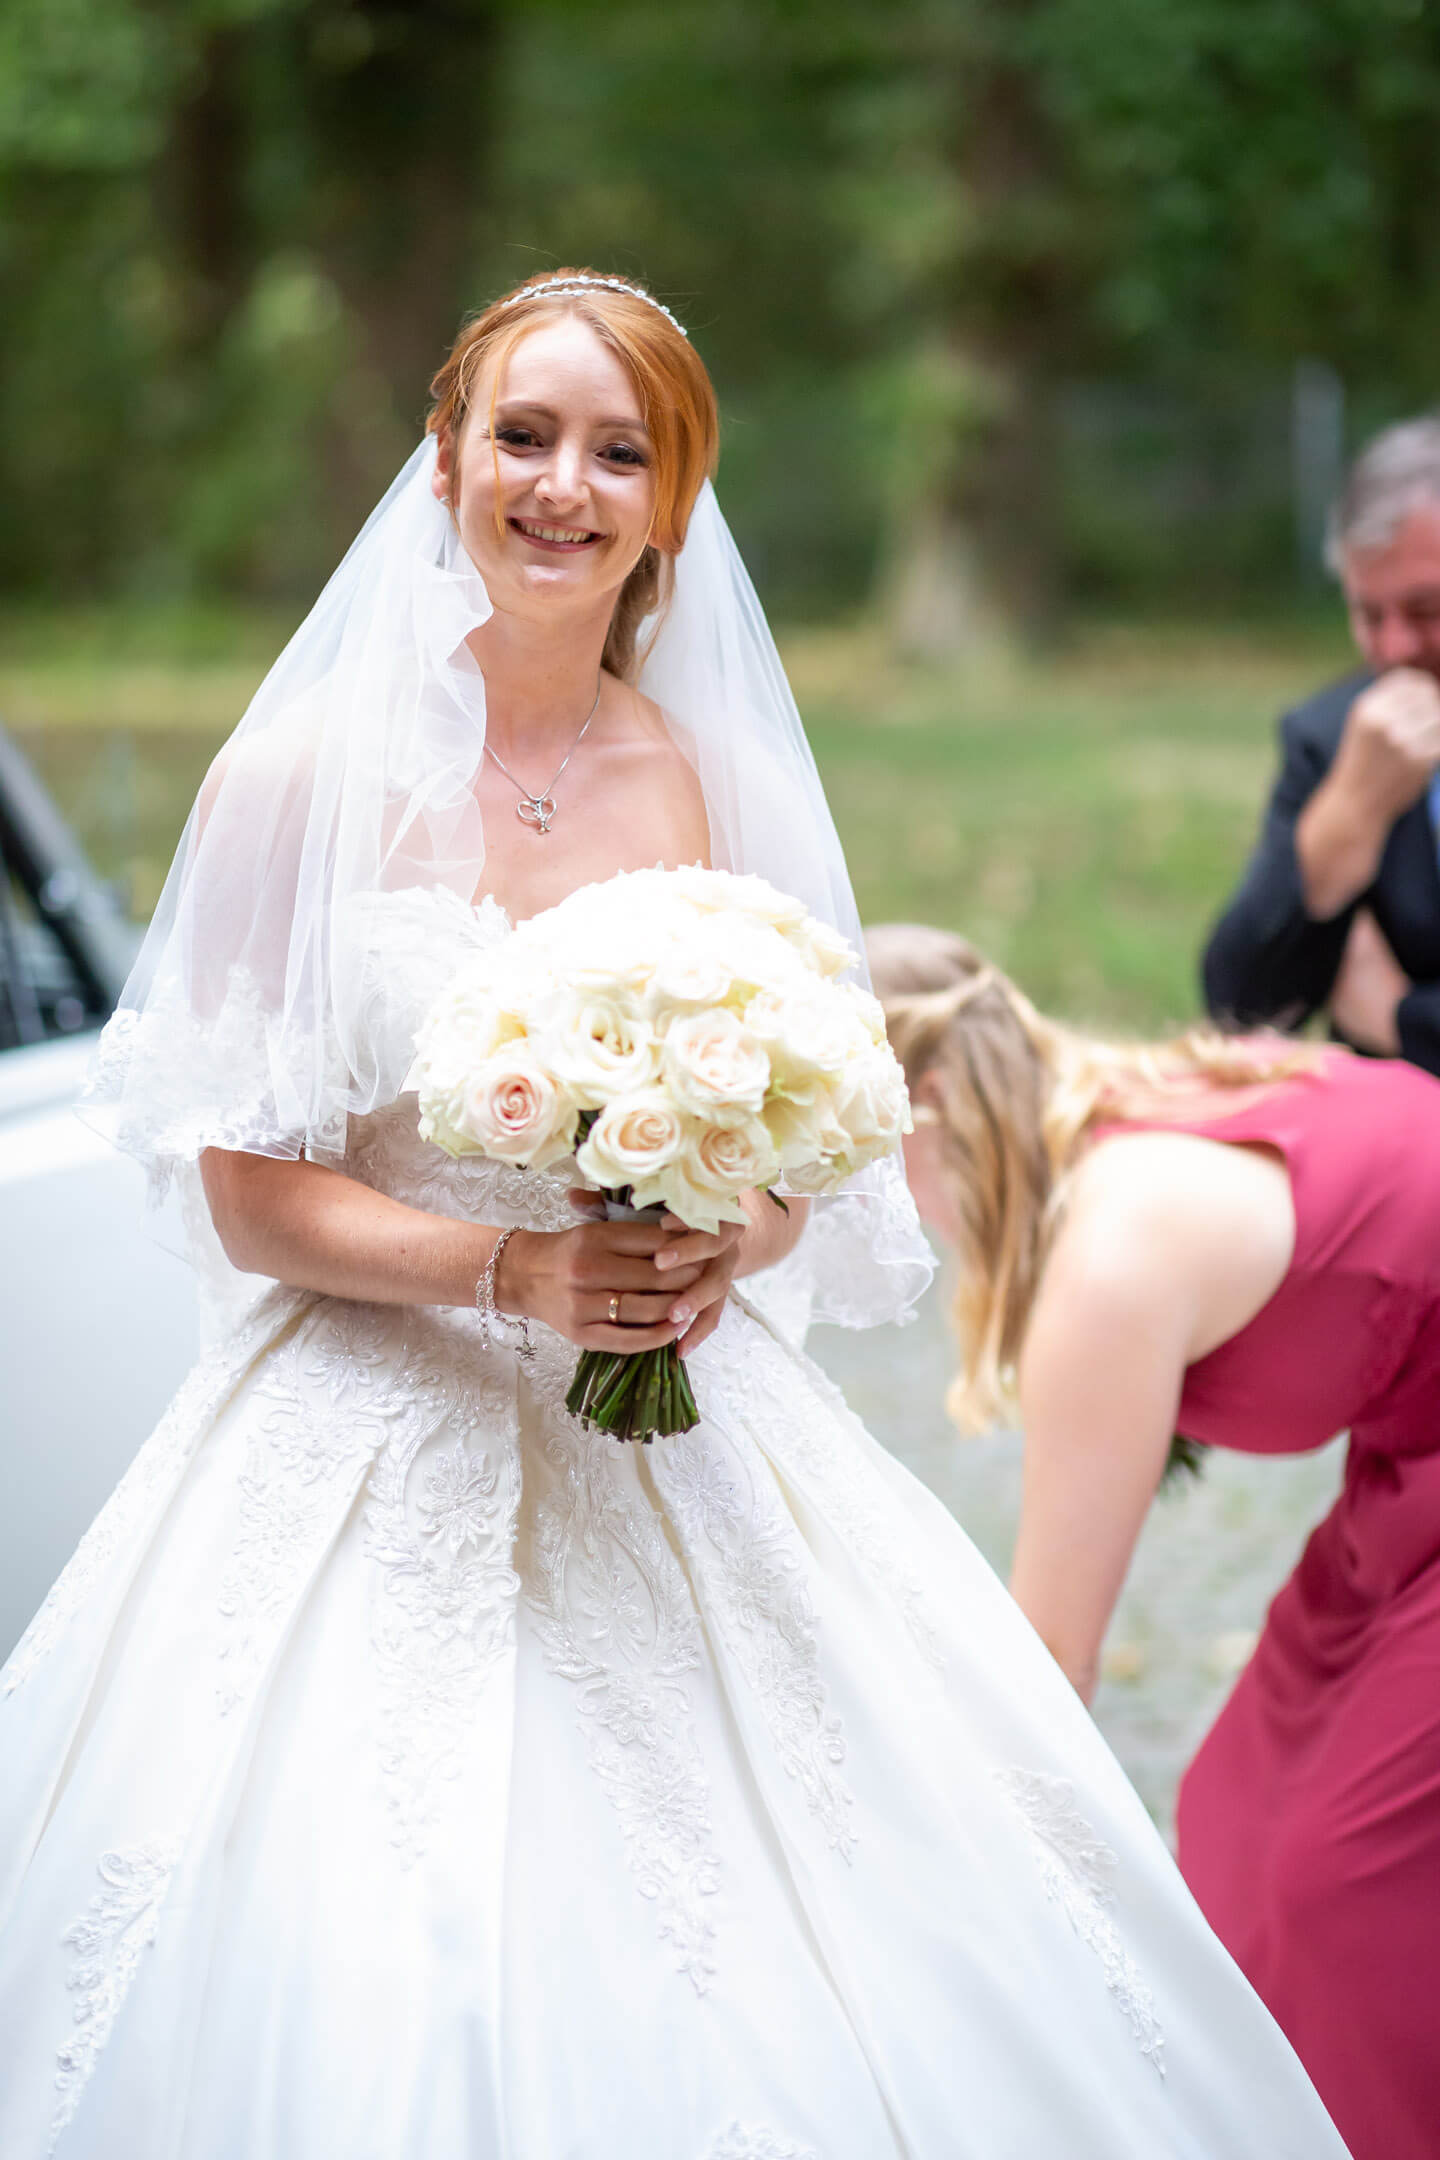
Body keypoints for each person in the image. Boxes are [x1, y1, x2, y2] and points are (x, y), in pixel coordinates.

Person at [0, 273, 1347, 2160]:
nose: (564, 486)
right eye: (525, 438)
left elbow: (781, 1144)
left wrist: (732, 1236)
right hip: (368, 1423)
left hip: (667, 1423)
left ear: (670, 506)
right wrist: (510, 1266)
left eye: (618, 452)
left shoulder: (682, 772)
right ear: (444, 460)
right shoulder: (300, 778)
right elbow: (248, 1190)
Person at [871, 918, 1440, 2160]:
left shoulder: (1108, 1256)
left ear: (923, 1112)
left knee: (1330, 1885)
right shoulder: (1133, 1091)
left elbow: (1052, 1659)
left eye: (856, 1172)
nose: (884, 1224)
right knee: (1238, 1805)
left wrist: (939, 1864)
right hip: (1411, 1471)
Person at [1203, 414, 1440, 1072]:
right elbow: (1236, 1009)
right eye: (1369, 614)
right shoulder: (1334, 736)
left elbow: (1380, 1017)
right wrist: (1344, 822)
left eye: (1427, 611)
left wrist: (1400, 1019)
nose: (1394, 649)